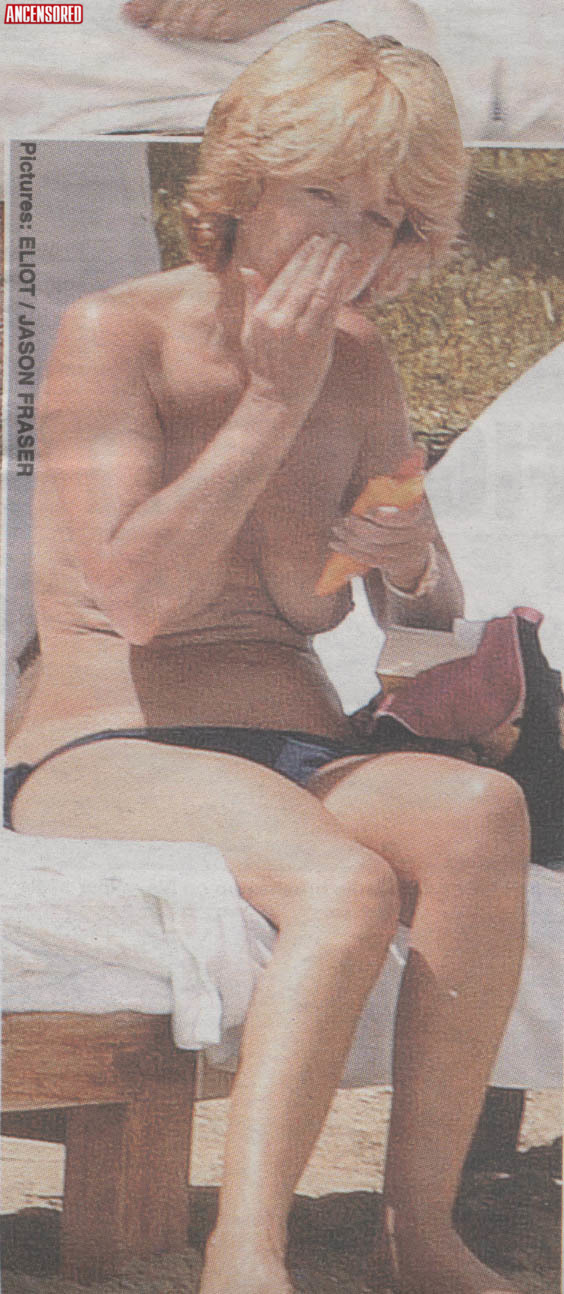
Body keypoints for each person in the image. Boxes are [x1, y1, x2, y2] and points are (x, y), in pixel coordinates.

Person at [5, 25, 529, 1294]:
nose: (348, 241)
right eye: (322, 195)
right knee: (342, 882)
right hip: (107, 744)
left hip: (292, 738)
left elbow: (413, 626)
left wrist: (411, 557)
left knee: (481, 812)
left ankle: (418, 1230)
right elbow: (138, 600)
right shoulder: (118, 332)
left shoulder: (361, 359)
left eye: (384, 218)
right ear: (243, 180)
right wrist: (272, 400)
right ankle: (245, 1252)